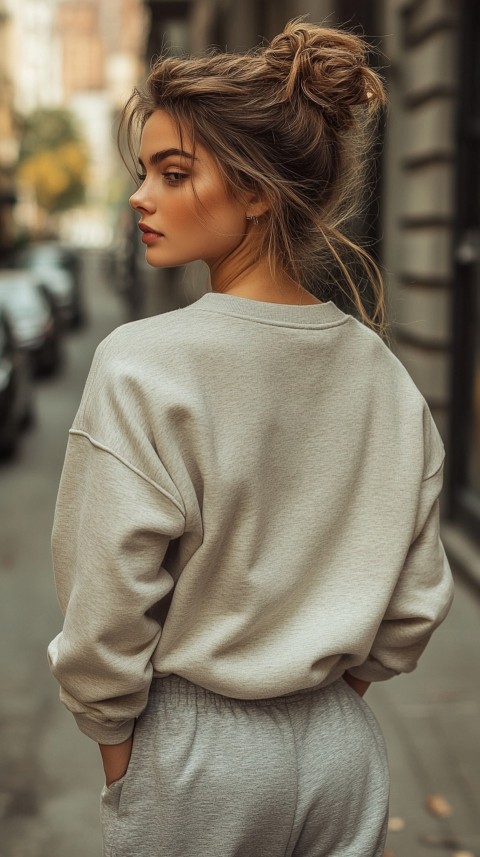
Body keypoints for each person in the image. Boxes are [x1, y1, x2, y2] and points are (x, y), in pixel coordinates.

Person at [47, 19, 454, 857]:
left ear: (259, 191)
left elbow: (105, 610)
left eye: (174, 172)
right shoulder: (384, 374)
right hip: (343, 749)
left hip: (196, 755)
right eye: (144, 172)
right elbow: (414, 601)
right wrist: (325, 699)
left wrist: (121, 754)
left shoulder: (141, 364)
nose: (140, 197)